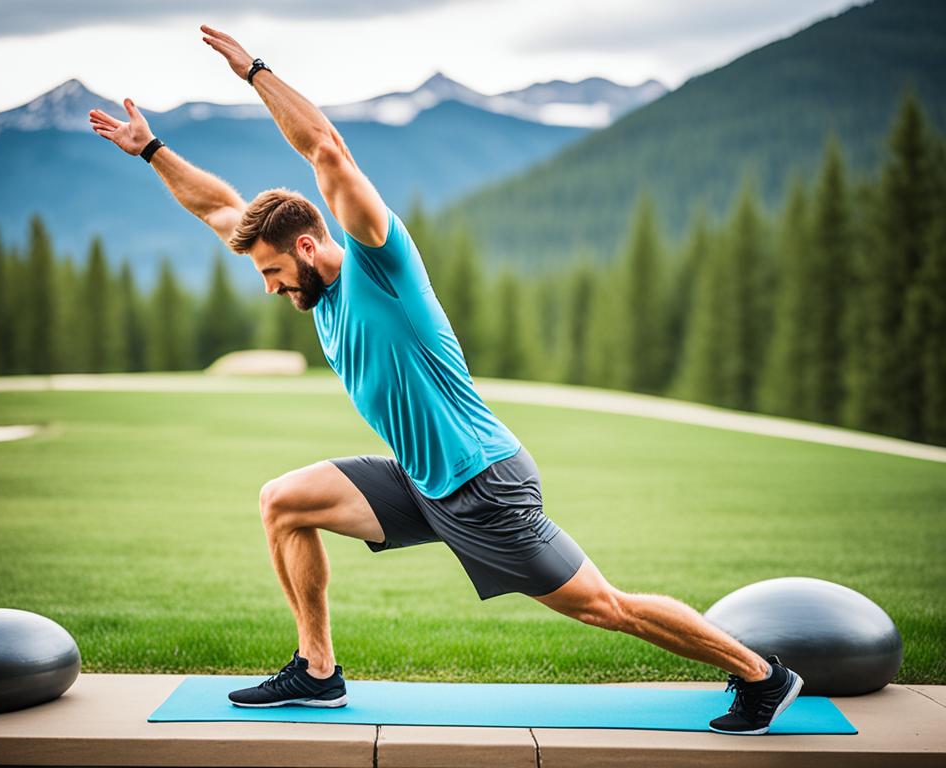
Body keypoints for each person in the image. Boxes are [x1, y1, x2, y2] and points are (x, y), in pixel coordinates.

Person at [89, 24, 803, 735]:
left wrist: (256, 71)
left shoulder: (379, 264)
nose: (272, 289)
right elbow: (220, 209)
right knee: (283, 503)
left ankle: (761, 676)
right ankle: (316, 672)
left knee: (603, 607)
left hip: (484, 485)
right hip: (422, 483)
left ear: (306, 246)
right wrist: (152, 150)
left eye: (274, 273)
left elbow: (326, 151)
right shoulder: (312, 287)